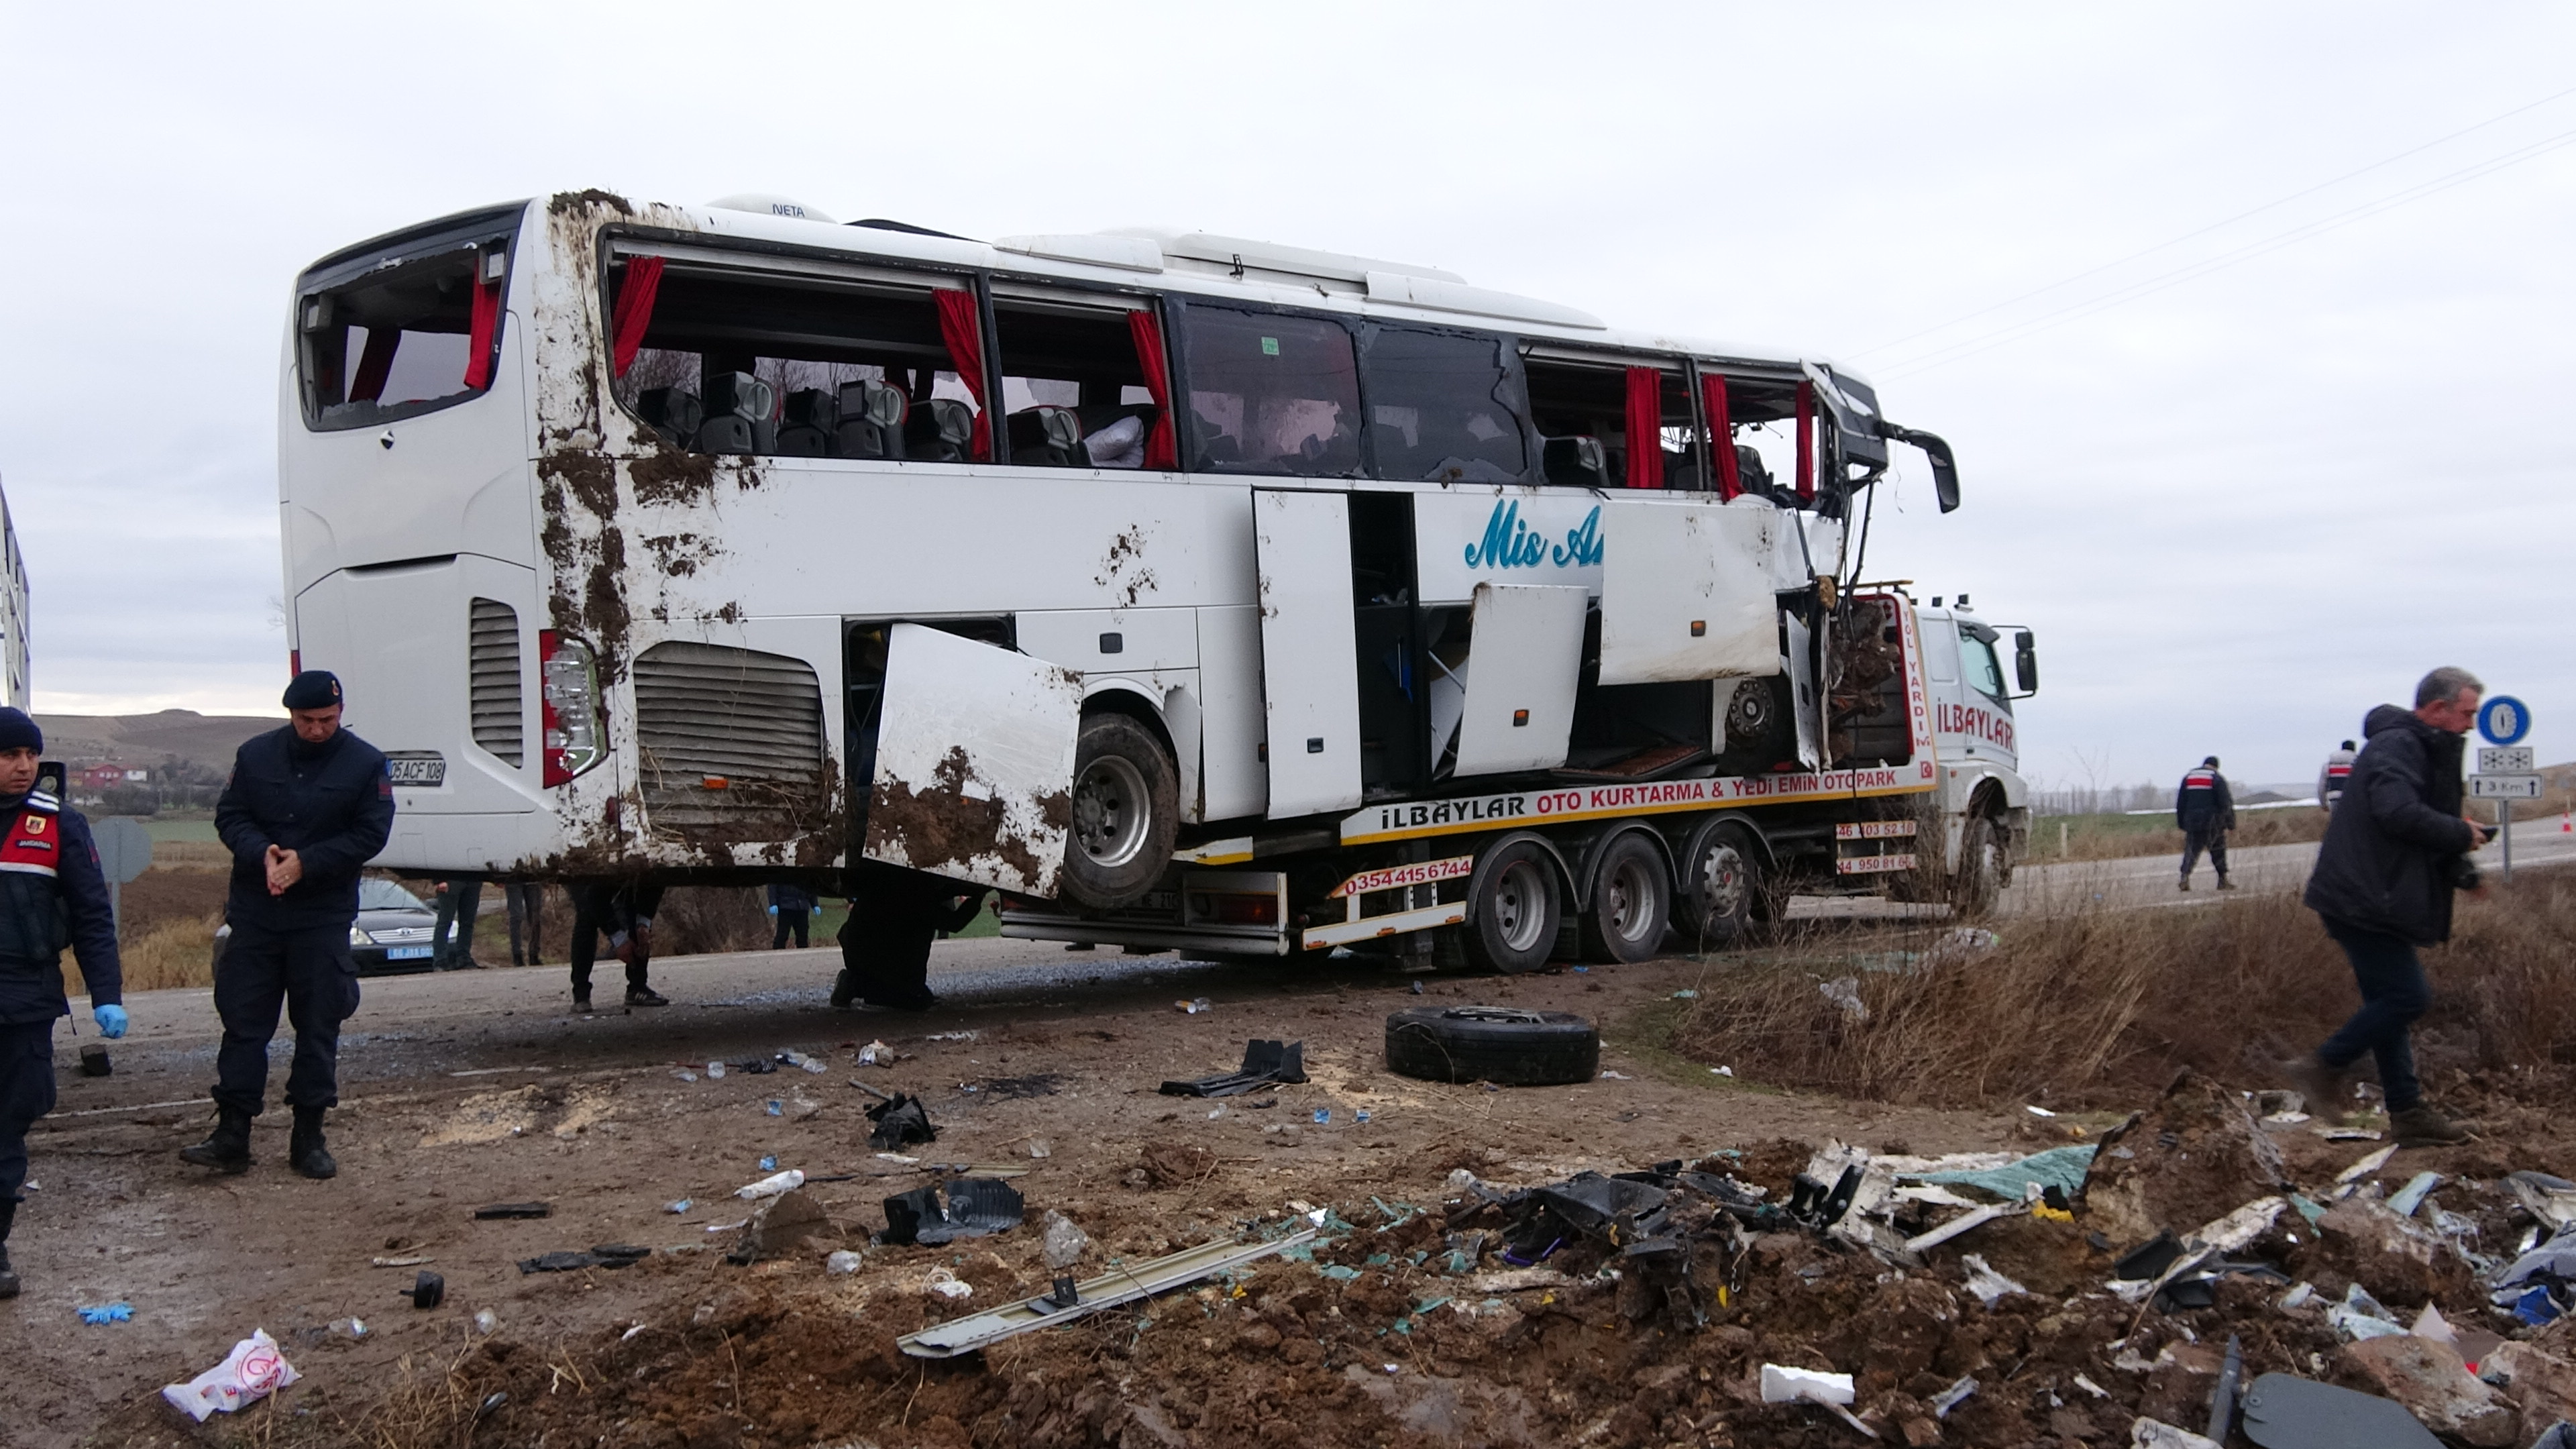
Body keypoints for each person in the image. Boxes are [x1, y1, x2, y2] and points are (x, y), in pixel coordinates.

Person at [182, 671, 394, 1181]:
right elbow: (230, 817)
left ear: (339, 714)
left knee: (318, 1026)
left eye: (326, 720)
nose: (317, 730)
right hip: (257, 913)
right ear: (290, 715)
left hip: (321, 917)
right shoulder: (256, 756)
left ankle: (309, 1136)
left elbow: (371, 833)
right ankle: (232, 1133)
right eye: (307, 721)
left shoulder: (366, 763)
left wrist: (309, 862)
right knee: (244, 1024)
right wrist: (266, 854)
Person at [2288, 667, 2495, 1147]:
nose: (2471, 725)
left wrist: (2461, 868)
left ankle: (2407, 1112)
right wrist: (2458, 832)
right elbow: (2397, 812)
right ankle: (2322, 1066)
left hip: (2374, 895)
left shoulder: (2423, 749)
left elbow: (2421, 823)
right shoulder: (2399, 746)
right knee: (2407, 998)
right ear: (2437, 709)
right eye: (2467, 714)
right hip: (2362, 898)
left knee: (2389, 1006)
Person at [0, 711, 123, 1299]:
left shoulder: (59, 826)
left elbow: (94, 917)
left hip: (25, 998)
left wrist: (107, 996)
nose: (22, 766)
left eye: (29, 754)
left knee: (8, 1123)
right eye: (7, 755)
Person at [832, 863, 986, 1011]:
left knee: (913, 991)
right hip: (880, 954)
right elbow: (955, 923)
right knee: (918, 999)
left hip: (857, 947)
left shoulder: (887, 878)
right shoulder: (918, 894)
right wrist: (978, 896)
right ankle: (856, 985)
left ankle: (860, 982)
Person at [568, 880, 667, 1010]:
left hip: (627, 878)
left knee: (636, 917)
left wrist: (644, 923)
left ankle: (637, 987)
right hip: (587, 876)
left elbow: (655, 888)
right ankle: (581, 994)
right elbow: (594, 897)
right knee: (586, 915)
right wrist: (618, 938)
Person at [2176, 755, 2237, 891]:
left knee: (2191, 851)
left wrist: (2181, 823)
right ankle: (2222, 881)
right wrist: (2230, 824)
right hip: (2213, 822)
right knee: (2218, 851)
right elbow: (2225, 803)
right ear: (2216, 766)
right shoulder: (2216, 778)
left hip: (2193, 822)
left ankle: (2184, 878)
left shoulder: (2188, 778)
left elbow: (2181, 804)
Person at [431, 873, 484, 970]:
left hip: (473, 879)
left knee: (468, 922)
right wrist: (439, 880)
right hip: (451, 879)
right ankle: (440, 961)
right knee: (445, 921)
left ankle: (464, 958)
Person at [501, 880, 545, 967]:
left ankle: (534, 954)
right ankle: (517, 955)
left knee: (535, 916)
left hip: (533, 878)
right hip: (513, 877)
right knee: (516, 916)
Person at [768, 881, 818, 949]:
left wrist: (815, 904)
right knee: (783, 934)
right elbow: (773, 888)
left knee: (803, 935)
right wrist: (773, 903)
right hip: (786, 907)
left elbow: (811, 888)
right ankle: (777, 954)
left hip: (802, 907)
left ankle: (803, 956)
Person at [2318, 739, 2358, 813]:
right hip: (2352, 799)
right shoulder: (2358, 765)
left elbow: (2322, 786)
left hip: (2334, 799)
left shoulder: (2329, 766)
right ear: (2354, 749)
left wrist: (2323, 803)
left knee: (2337, 823)